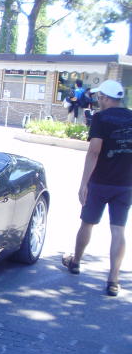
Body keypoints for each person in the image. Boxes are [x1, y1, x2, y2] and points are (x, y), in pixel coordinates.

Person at [62, 80, 132, 297]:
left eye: (100, 97)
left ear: (105, 98)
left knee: (88, 223)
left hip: (100, 181)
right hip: (126, 184)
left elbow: (94, 152)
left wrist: (84, 183)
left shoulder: (101, 118)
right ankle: (113, 280)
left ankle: (76, 262)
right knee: (118, 229)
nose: (98, 100)